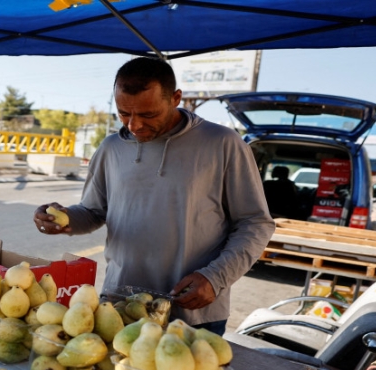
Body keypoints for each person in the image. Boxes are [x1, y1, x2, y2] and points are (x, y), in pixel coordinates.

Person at [33, 57, 275, 335]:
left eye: (148, 115)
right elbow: (93, 212)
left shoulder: (223, 143)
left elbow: (255, 222)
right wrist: (60, 219)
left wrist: (215, 277)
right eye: (124, 113)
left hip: (192, 312)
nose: (134, 125)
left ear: (175, 98)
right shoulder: (111, 148)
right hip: (118, 307)